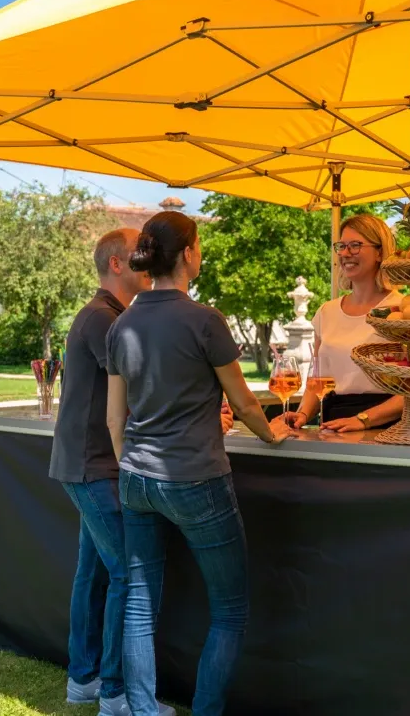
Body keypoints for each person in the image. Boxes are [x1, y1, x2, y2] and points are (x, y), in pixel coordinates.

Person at [105, 211, 291, 716]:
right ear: (187, 253)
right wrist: (274, 437)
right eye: (200, 245)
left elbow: (114, 418)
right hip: (195, 479)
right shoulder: (204, 320)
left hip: (137, 479)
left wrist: (132, 470)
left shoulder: (122, 324)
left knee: (140, 604)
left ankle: (143, 711)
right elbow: (247, 403)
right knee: (229, 609)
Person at [50, 228, 152, 716]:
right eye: (140, 256)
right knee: (127, 576)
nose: (149, 262)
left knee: (92, 574)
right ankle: (114, 693)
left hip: (87, 463)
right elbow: (138, 388)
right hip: (94, 466)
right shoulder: (104, 320)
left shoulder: (107, 316)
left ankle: (83, 680)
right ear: (117, 264)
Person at [278, 213, 404, 432]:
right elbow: (316, 381)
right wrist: (302, 414)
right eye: (342, 246)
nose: (346, 253)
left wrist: (362, 419)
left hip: (385, 428)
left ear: (380, 252)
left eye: (355, 245)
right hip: (333, 424)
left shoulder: (402, 311)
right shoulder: (327, 312)